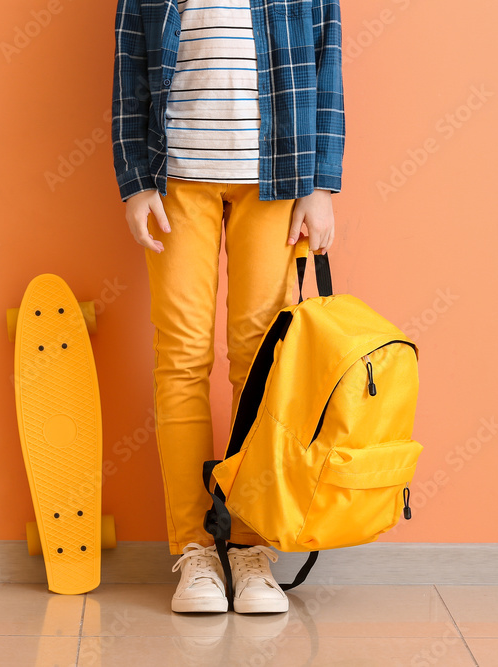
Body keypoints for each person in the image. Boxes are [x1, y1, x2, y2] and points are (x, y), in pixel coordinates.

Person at [111, 0, 344, 613]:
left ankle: (248, 547)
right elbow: (130, 68)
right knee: (182, 359)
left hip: (274, 180)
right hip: (177, 178)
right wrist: (136, 181)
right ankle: (193, 550)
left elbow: (326, 68)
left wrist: (320, 185)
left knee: (258, 362)